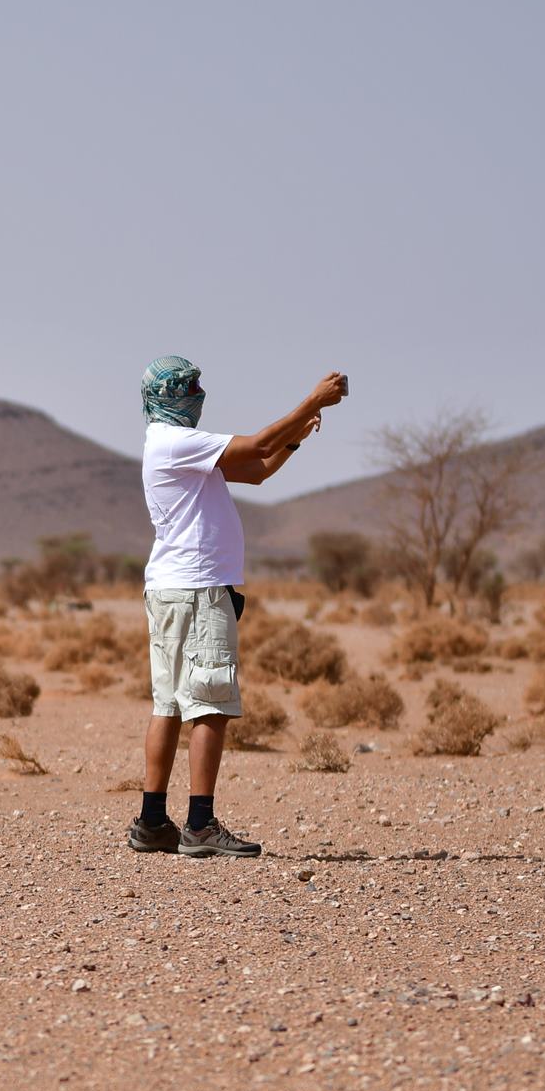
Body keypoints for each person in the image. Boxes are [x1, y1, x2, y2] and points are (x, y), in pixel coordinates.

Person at [127, 357, 348, 858]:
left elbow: (260, 469)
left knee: (169, 704)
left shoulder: (172, 448)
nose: (199, 395)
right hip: (199, 589)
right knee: (209, 703)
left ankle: (153, 821)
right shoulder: (174, 440)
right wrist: (310, 401)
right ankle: (200, 826)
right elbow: (257, 444)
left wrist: (298, 434)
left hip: (172, 588)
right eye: (190, 387)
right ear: (171, 396)